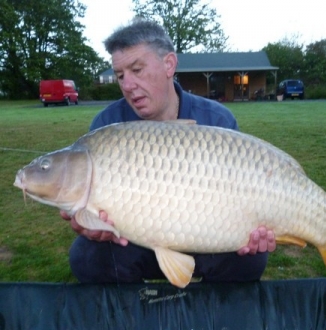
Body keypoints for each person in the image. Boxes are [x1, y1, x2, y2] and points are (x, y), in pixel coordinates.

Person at [61, 19, 276, 284]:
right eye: (120, 75)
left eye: (137, 70)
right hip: (133, 242)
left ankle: (211, 320)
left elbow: (245, 191)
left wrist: (254, 232)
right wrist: (91, 227)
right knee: (86, 257)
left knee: (251, 259)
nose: (127, 85)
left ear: (169, 65)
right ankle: (133, 319)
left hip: (207, 239)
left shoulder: (217, 120)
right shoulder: (107, 126)